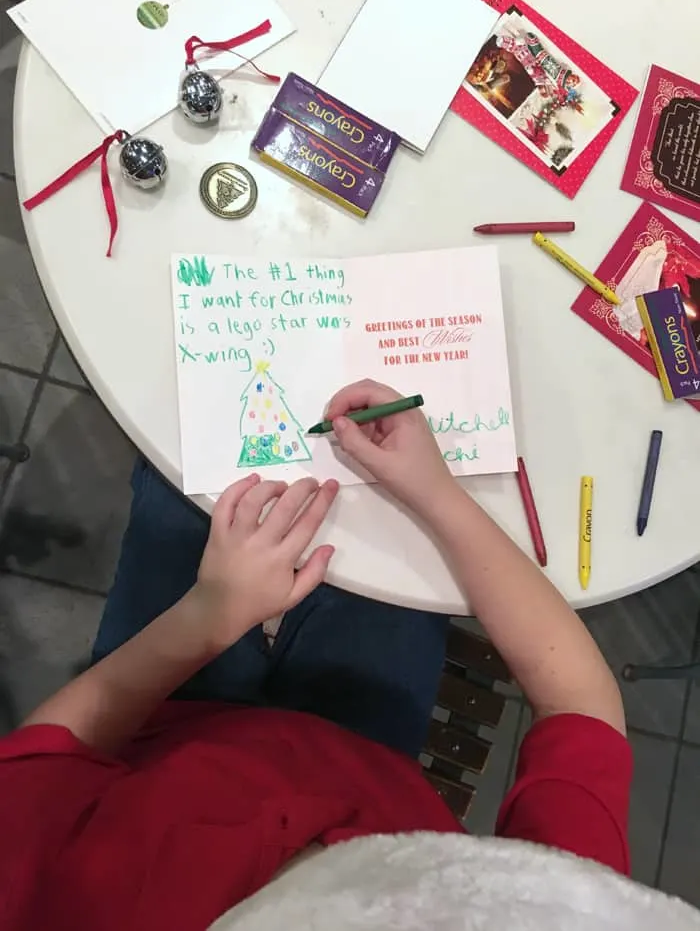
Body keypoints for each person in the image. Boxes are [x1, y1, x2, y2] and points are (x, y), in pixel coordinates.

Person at [0, 379, 634, 931]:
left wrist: (207, 615)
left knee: (187, 463)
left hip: (157, 725)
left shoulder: (61, 903)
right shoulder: (560, 908)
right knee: (388, 535)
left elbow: (49, 756)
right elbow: (580, 704)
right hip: (366, 743)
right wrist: (437, 493)